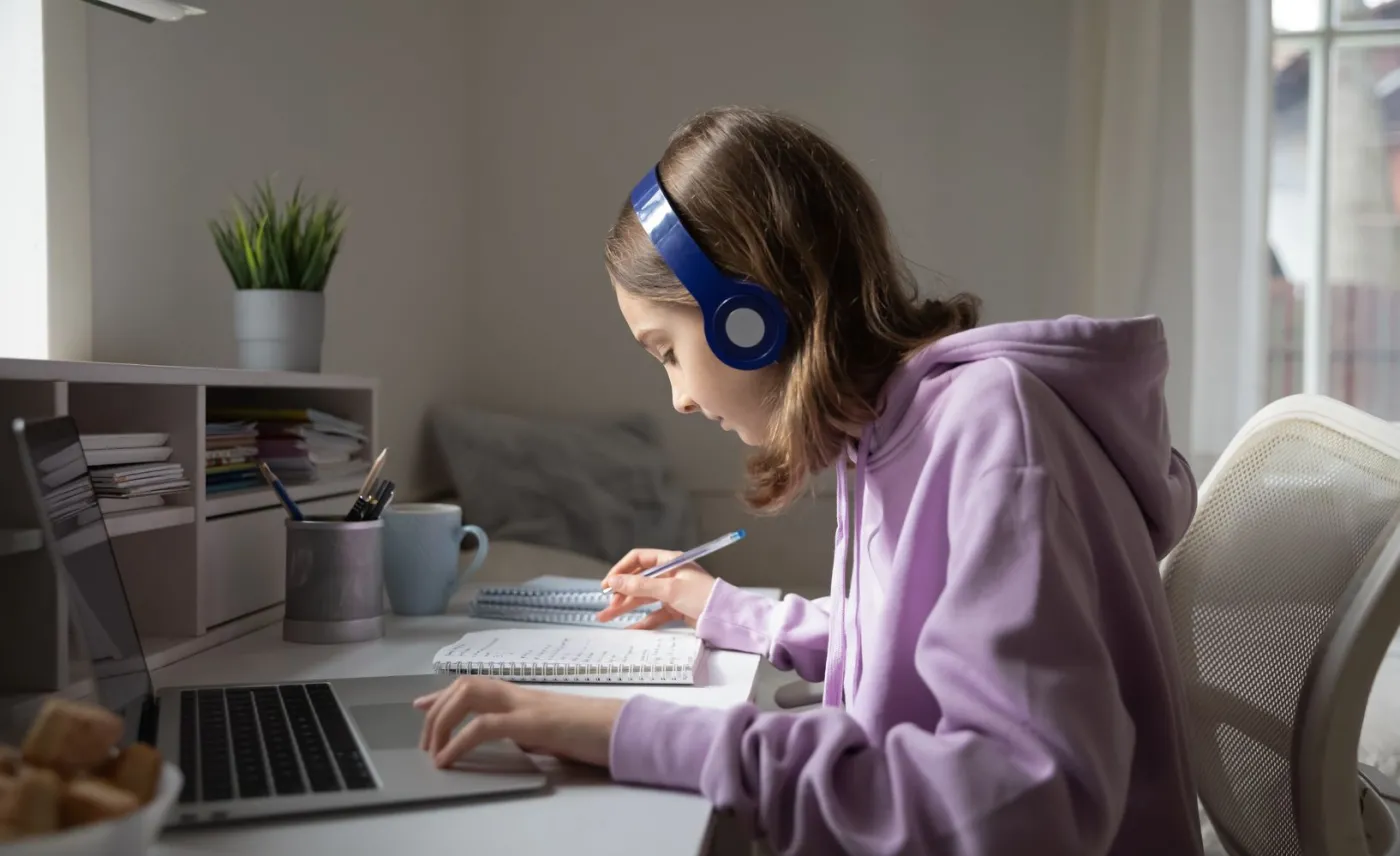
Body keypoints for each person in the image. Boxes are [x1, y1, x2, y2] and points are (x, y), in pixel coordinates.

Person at [415, 105, 1204, 855]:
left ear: (746, 317)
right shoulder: (890, 427)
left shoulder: (991, 429)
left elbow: (1025, 806)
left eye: (666, 352)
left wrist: (628, 733)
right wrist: (720, 606)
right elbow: (909, 637)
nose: (680, 398)